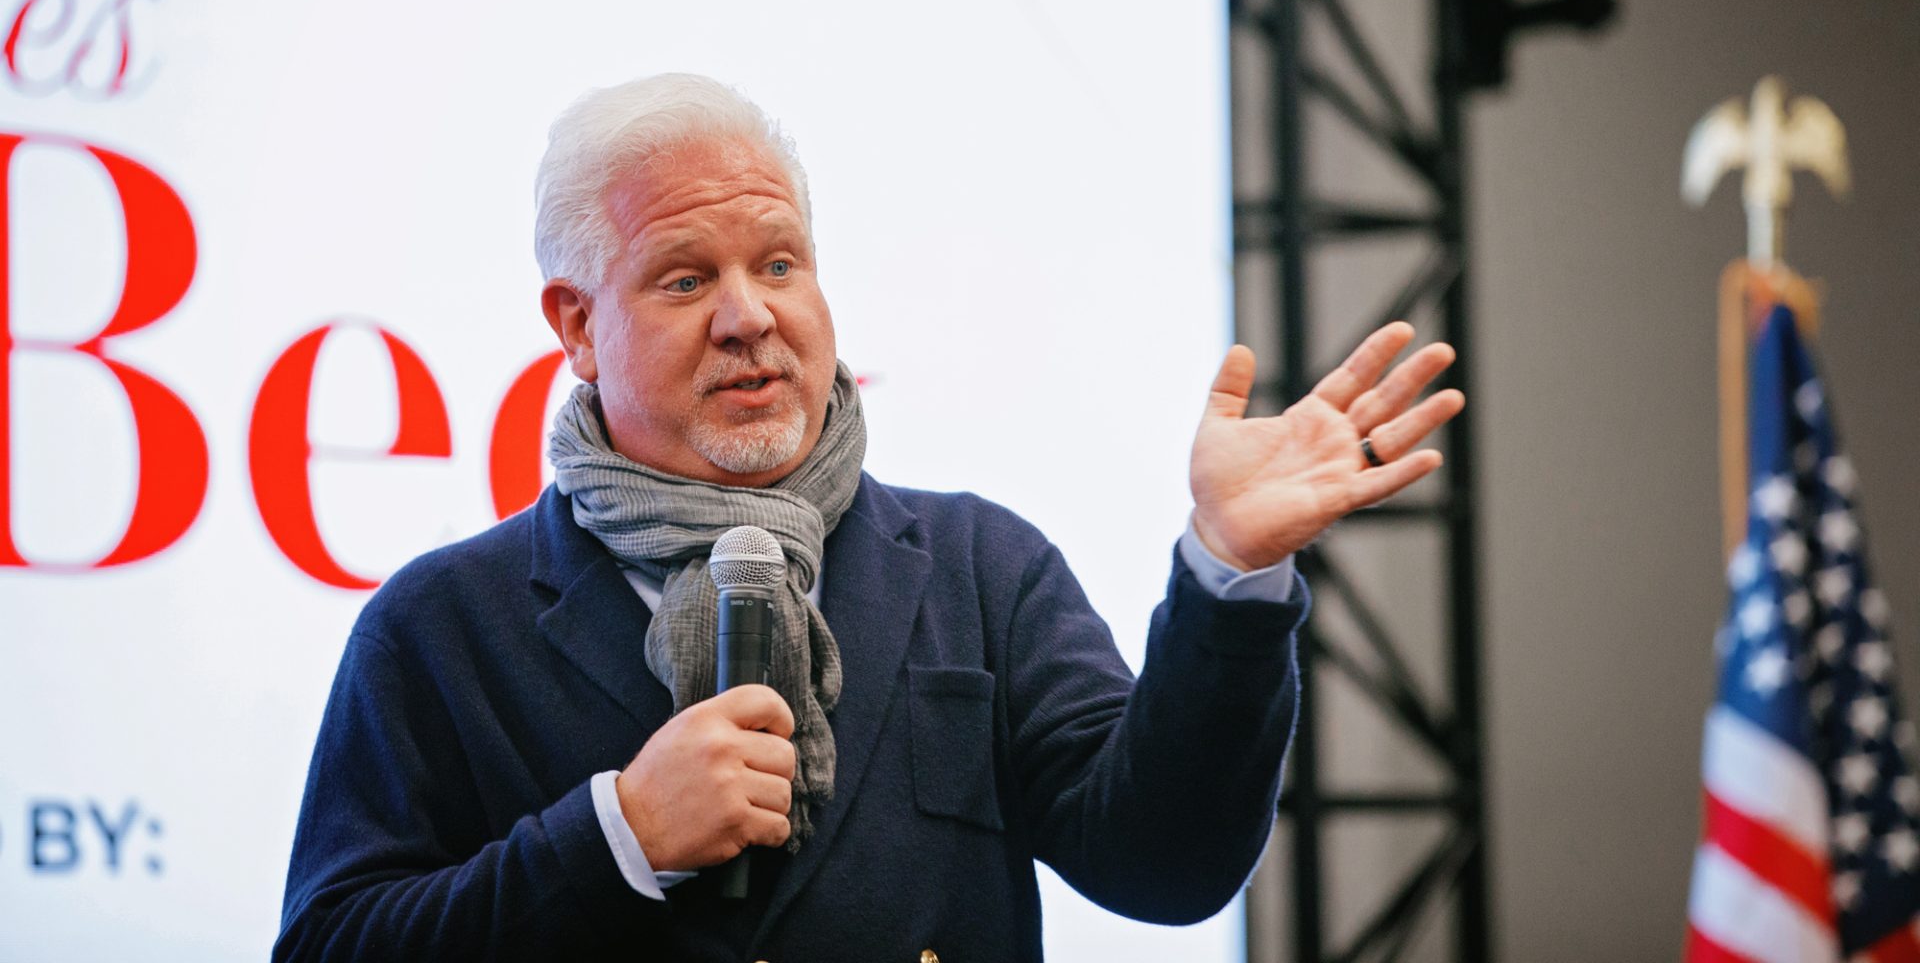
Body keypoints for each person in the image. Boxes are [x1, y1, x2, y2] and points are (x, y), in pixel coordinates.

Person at [274, 74, 1462, 962]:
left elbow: (1165, 865)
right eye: (685, 278)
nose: (749, 315)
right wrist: (616, 834)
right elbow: (332, 942)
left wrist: (1229, 574)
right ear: (578, 325)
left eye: (779, 263)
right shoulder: (444, 622)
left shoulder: (979, 568)